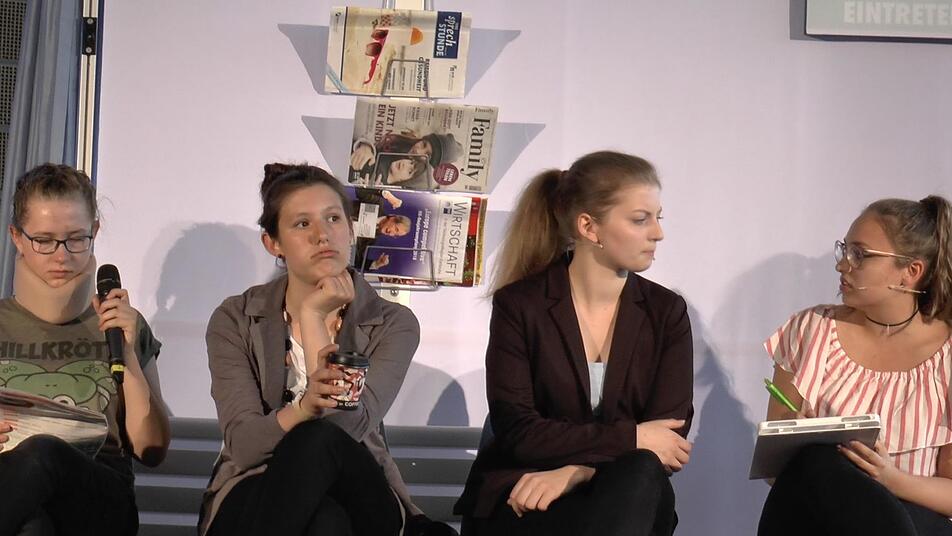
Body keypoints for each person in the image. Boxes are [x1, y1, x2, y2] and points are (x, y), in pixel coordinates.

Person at [200, 163, 455, 536]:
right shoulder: (236, 318)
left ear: (350, 230)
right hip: (255, 484)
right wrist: (303, 408)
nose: (322, 235)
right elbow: (244, 447)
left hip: (360, 487)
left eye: (333, 218)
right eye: (302, 224)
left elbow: (348, 426)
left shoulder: (392, 323)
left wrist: (312, 317)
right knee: (325, 521)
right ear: (273, 243)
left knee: (318, 438)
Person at [454, 151, 694, 536]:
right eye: (640, 219)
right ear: (589, 226)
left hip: (626, 492)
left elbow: (667, 442)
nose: (657, 233)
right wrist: (631, 437)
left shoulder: (666, 312)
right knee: (632, 467)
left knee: (640, 470)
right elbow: (519, 432)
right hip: (528, 493)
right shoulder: (520, 305)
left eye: (657, 218)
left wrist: (580, 472)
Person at [758, 196, 952, 535]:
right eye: (844, 250)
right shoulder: (811, 330)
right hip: (818, 518)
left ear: (911, 272)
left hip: (914, 520)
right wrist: (796, 438)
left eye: (860, 255)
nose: (842, 265)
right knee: (816, 461)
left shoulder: (946, 356)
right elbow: (776, 473)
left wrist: (892, 479)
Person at [0, 163, 170, 536]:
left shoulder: (121, 324)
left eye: (76, 239)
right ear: (16, 237)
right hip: (13, 490)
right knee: (33, 526)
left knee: (43, 453)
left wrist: (127, 354)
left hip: (101, 499)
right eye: (44, 241)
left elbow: (152, 449)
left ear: (95, 231)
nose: (61, 256)